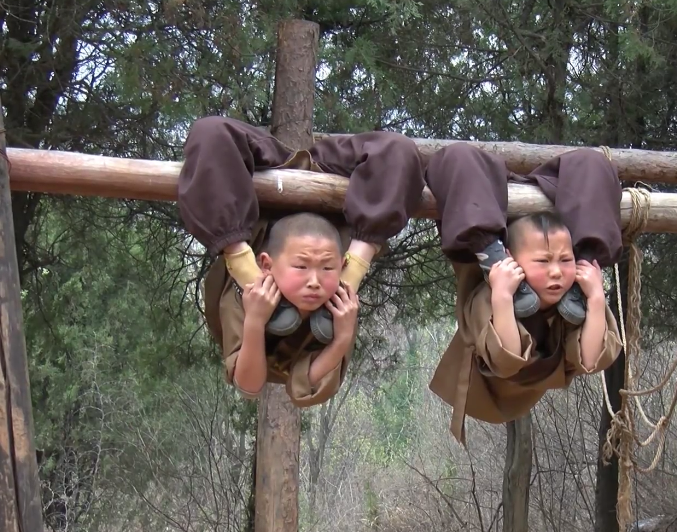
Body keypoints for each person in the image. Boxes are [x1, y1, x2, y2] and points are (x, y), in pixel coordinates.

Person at [178, 116, 425, 401]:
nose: (315, 282)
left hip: (267, 185)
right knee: (399, 150)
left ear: (265, 264)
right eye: (302, 266)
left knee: (211, 132)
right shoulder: (340, 309)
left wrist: (255, 315)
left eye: (326, 268)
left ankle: (241, 262)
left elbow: (247, 385)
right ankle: (356, 266)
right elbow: (281, 386)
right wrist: (344, 320)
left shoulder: (247, 296)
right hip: (330, 186)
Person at [424, 143, 625, 444]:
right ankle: (489, 252)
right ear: (513, 260)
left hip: (557, 335)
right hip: (500, 341)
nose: (557, 272)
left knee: (591, 163)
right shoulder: (490, 294)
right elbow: (507, 360)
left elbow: (589, 358)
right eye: (543, 262)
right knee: (459, 157)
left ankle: (584, 255)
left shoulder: (574, 289)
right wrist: (504, 296)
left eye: (565, 260)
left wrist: (593, 297)